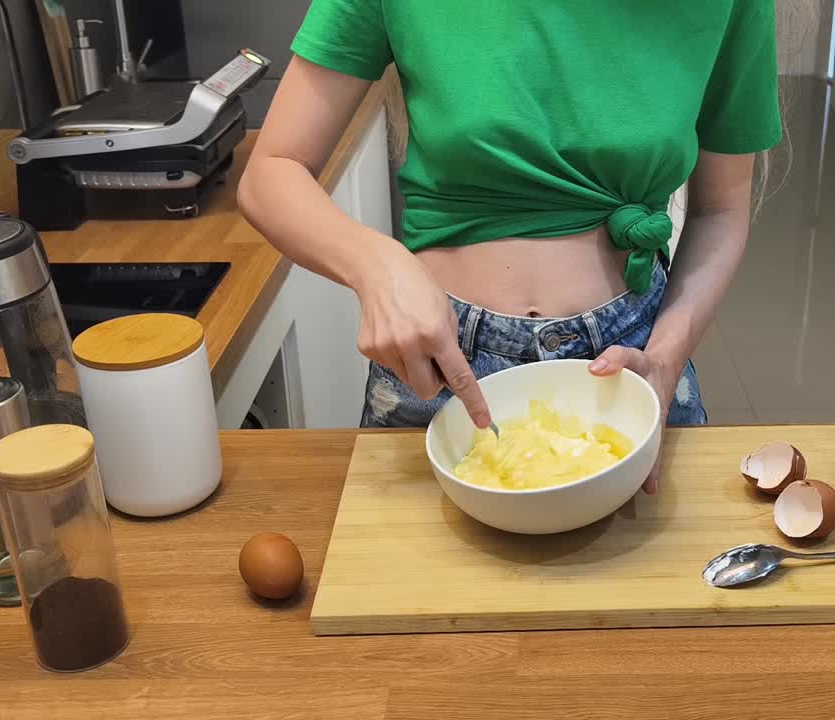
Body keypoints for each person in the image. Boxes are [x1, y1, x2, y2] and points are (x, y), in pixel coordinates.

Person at [238, 1, 783, 494]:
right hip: (440, 359)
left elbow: (722, 210)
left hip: (633, 363)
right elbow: (271, 172)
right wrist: (375, 265)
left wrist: (666, 358)